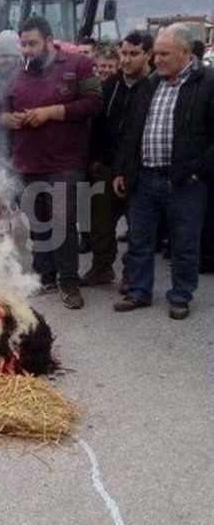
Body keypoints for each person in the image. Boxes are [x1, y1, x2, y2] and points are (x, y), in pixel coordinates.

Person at [0, 16, 103, 309]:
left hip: (65, 162)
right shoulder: (17, 73)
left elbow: (94, 102)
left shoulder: (77, 66)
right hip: (27, 162)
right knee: (38, 223)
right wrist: (11, 119)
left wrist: (52, 112)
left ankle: (69, 282)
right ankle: (45, 276)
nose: (27, 50)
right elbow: (1, 113)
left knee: (64, 223)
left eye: (32, 44)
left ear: (48, 40)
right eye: (23, 45)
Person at [112, 24, 214, 320]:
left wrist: (198, 169)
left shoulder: (207, 83)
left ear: (185, 52)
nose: (157, 59)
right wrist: (122, 169)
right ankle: (139, 291)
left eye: (164, 54)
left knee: (184, 242)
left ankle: (181, 296)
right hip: (145, 178)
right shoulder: (150, 84)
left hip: (186, 182)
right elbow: (131, 131)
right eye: (155, 53)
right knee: (140, 239)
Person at [82, 31, 152, 287]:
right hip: (106, 167)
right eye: (124, 53)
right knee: (100, 222)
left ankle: (131, 274)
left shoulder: (153, 87)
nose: (126, 59)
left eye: (134, 54)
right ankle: (102, 267)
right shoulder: (110, 86)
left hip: (140, 170)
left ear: (148, 55)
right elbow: (97, 126)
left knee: (138, 227)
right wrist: (94, 160)